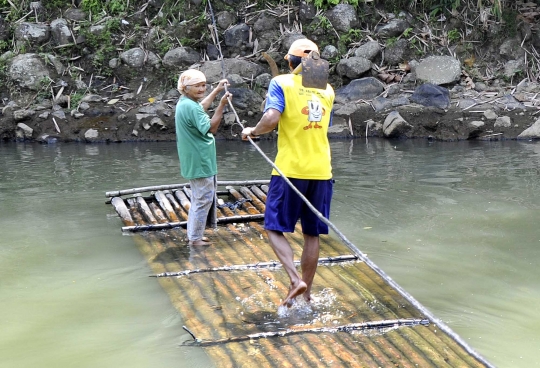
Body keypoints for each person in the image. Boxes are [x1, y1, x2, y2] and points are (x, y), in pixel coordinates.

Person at [241, 38, 335, 307]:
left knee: (272, 227)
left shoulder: (281, 83)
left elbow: (271, 119)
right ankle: (306, 296)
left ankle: (295, 280)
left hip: (290, 170)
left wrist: (252, 131)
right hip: (322, 171)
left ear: (290, 61)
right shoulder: (328, 90)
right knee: (311, 234)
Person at [175, 69, 232, 246]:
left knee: (200, 198)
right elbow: (211, 128)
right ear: (185, 88)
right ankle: (194, 239)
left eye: (203, 85)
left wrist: (216, 91)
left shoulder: (186, 103)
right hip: (200, 159)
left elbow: (201, 108)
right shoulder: (190, 106)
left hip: (195, 158)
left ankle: (195, 234)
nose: (202, 89)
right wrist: (222, 105)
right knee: (203, 199)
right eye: (197, 86)